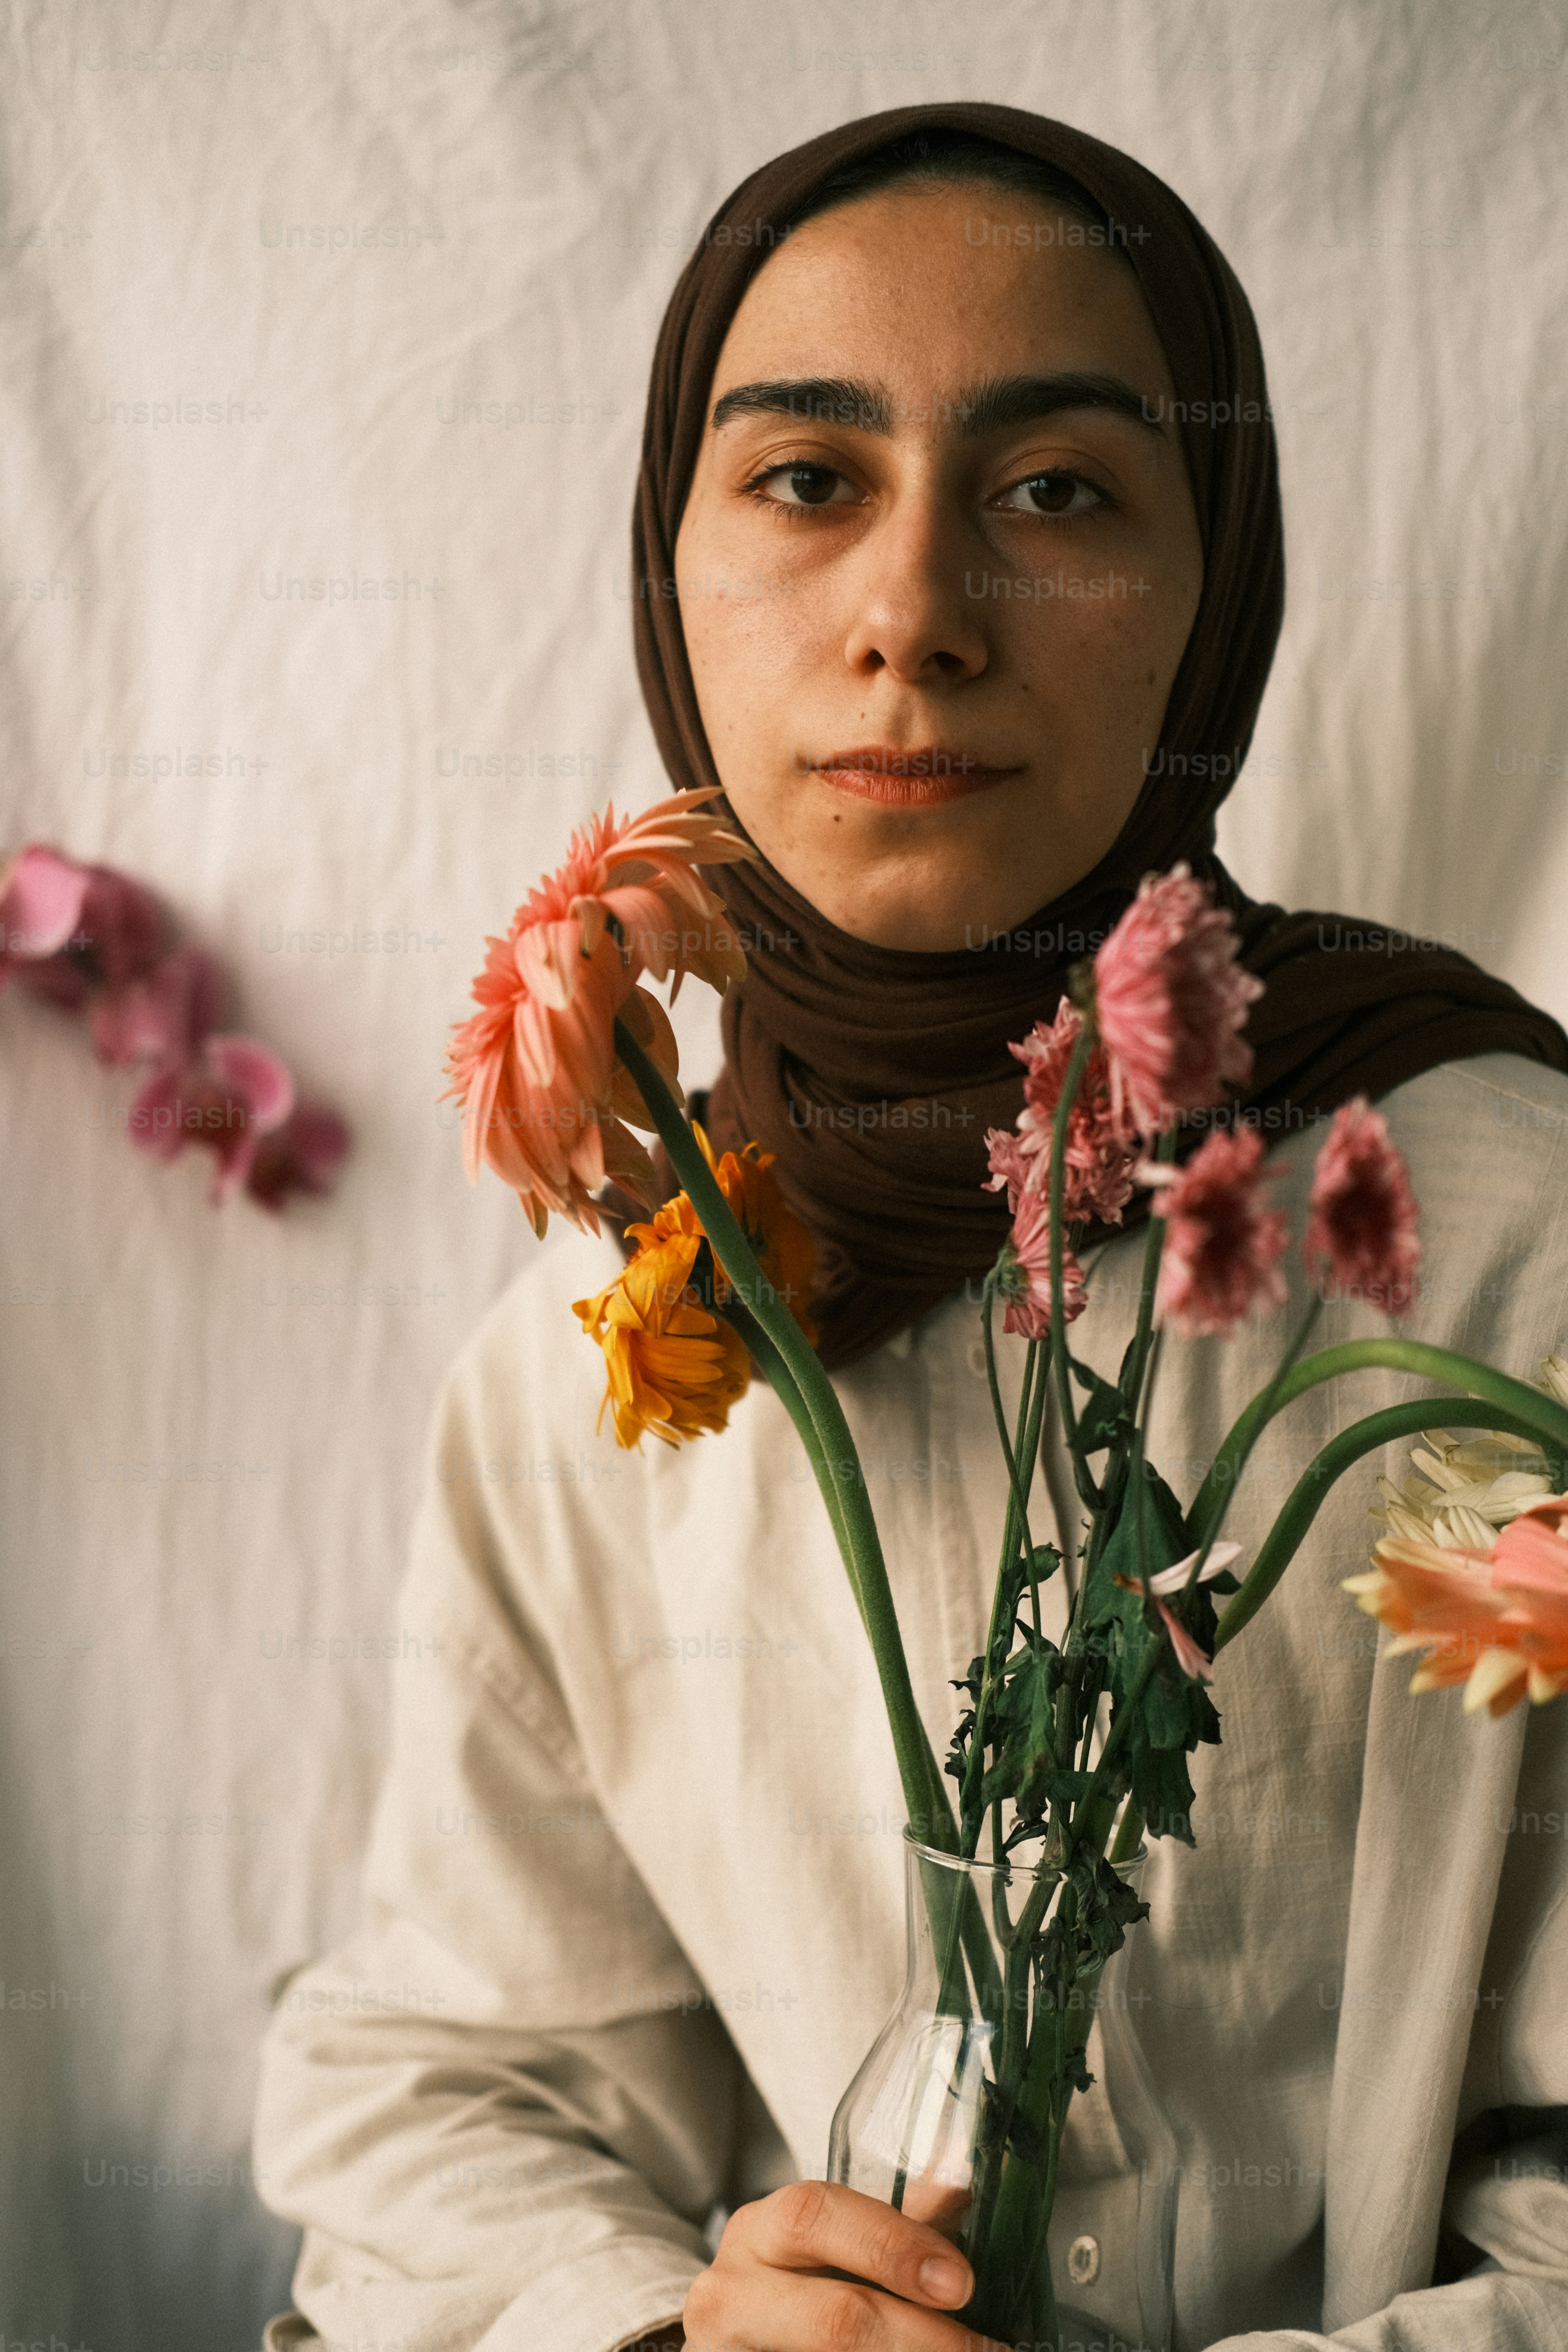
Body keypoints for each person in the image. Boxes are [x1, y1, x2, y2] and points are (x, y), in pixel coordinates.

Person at [253, 105, 1568, 2352]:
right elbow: (445, 2077)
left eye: (1055, 492)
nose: (914, 618)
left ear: (1218, 589)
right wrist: (669, 2331)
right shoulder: (616, 1333)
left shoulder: (1510, 1249)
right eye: (804, 480)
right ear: (672, 572)